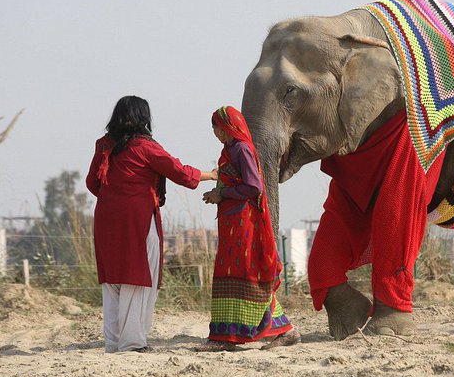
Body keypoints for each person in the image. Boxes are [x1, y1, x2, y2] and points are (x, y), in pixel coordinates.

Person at [86, 95, 214, 353]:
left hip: (106, 218)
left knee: (112, 281)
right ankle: (132, 342)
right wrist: (211, 175)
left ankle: (113, 342)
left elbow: (92, 183)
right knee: (138, 276)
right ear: (144, 118)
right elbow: (179, 172)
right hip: (138, 218)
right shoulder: (145, 147)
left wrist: (116, 198)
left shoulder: (103, 145)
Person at [195, 105, 300, 351]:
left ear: (228, 127)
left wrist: (222, 194)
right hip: (232, 222)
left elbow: (254, 187)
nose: (215, 133)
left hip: (244, 223)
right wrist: (218, 195)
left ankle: (225, 338)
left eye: (217, 128)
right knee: (237, 275)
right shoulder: (230, 150)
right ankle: (281, 330)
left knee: (246, 274)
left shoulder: (241, 149)